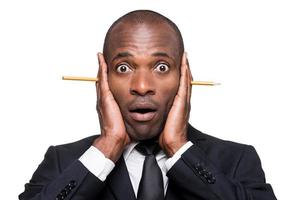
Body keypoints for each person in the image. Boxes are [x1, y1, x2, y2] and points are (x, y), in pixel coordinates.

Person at [19, 10, 277, 200]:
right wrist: (107, 146)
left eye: (161, 67)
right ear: (103, 80)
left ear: (185, 79)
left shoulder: (236, 160)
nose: (142, 86)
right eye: (123, 67)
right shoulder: (64, 161)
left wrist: (178, 148)